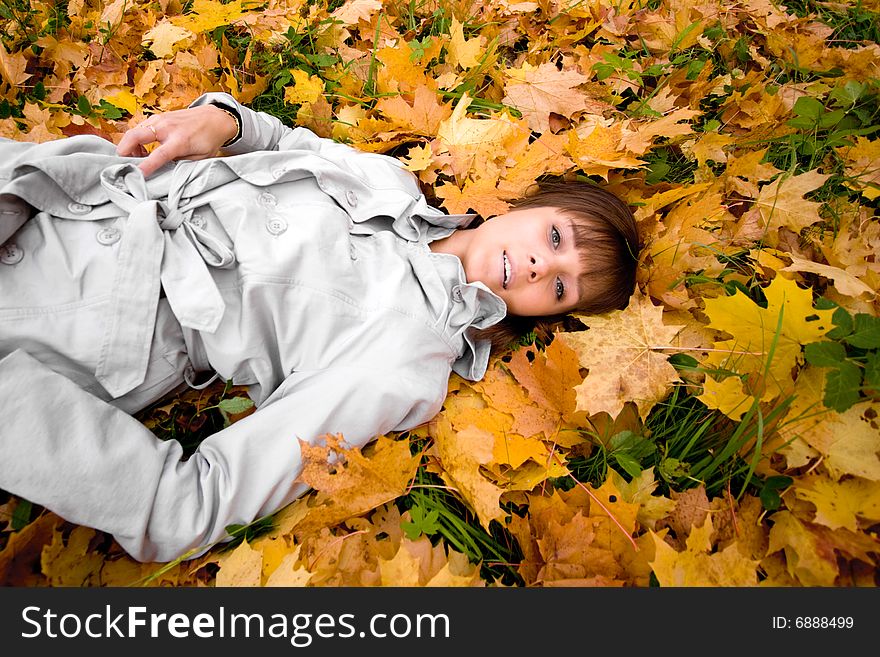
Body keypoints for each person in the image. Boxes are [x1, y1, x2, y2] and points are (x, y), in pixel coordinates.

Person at [0, 92, 639, 563]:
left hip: (76, 310)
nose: (537, 264)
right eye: (555, 237)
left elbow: (193, 506)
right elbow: (282, 141)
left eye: (560, 286)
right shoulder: (391, 182)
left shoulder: (408, 356)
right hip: (66, 184)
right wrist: (224, 120)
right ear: (529, 206)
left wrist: (16, 409)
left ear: (543, 316)